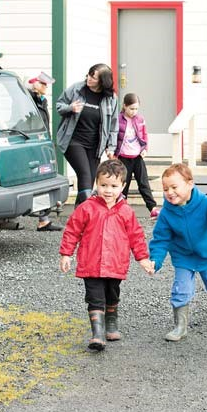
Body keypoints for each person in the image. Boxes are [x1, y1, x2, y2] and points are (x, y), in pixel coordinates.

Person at [58, 159, 154, 351]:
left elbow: (136, 236)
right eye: (103, 185)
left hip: (115, 264)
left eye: (113, 186)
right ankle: (97, 334)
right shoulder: (87, 207)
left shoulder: (126, 211)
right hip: (91, 264)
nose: (108, 190)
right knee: (94, 297)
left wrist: (143, 258)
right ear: (96, 183)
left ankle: (111, 323)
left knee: (112, 294)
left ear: (123, 187)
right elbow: (72, 230)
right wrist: (66, 254)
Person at [149, 163, 207, 341]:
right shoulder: (166, 214)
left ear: (190, 183)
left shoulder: (206, 204)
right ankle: (180, 325)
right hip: (183, 258)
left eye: (174, 187)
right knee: (181, 290)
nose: (169, 192)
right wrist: (155, 260)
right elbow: (161, 239)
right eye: (165, 188)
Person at [56, 63, 119, 206]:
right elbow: (59, 105)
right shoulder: (77, 89)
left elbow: (114, 125)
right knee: (84, 175)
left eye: (93, 77)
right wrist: (70, 108)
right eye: (89, 75)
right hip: (73, 140)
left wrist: (111, 147)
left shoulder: (111, 98)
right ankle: (86, 213)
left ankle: (79, 215)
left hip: (95, 146)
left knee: (90, 179)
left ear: (103, 81)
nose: (89, 78)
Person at [27, 71, 63, 231]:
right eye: (42, 84)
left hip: (43, 142)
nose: (45, 87)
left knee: (45, 178)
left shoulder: (43, 100)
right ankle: (42, 218)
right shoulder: (29, 98)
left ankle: (44, 219)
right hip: (34, 143)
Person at [115, 93, 159, 219]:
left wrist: (145, 148)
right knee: (124, 184)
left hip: (137, 157)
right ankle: (120, 208)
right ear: (124, 106)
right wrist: (112, 152)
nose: (134, 111)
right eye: (131, 108)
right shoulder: (118, 119)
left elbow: (144, 135)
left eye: (136, 109)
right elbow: (113, 136)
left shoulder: (140, 119)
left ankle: (153, 208)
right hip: (123, 158)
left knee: (144, 183)